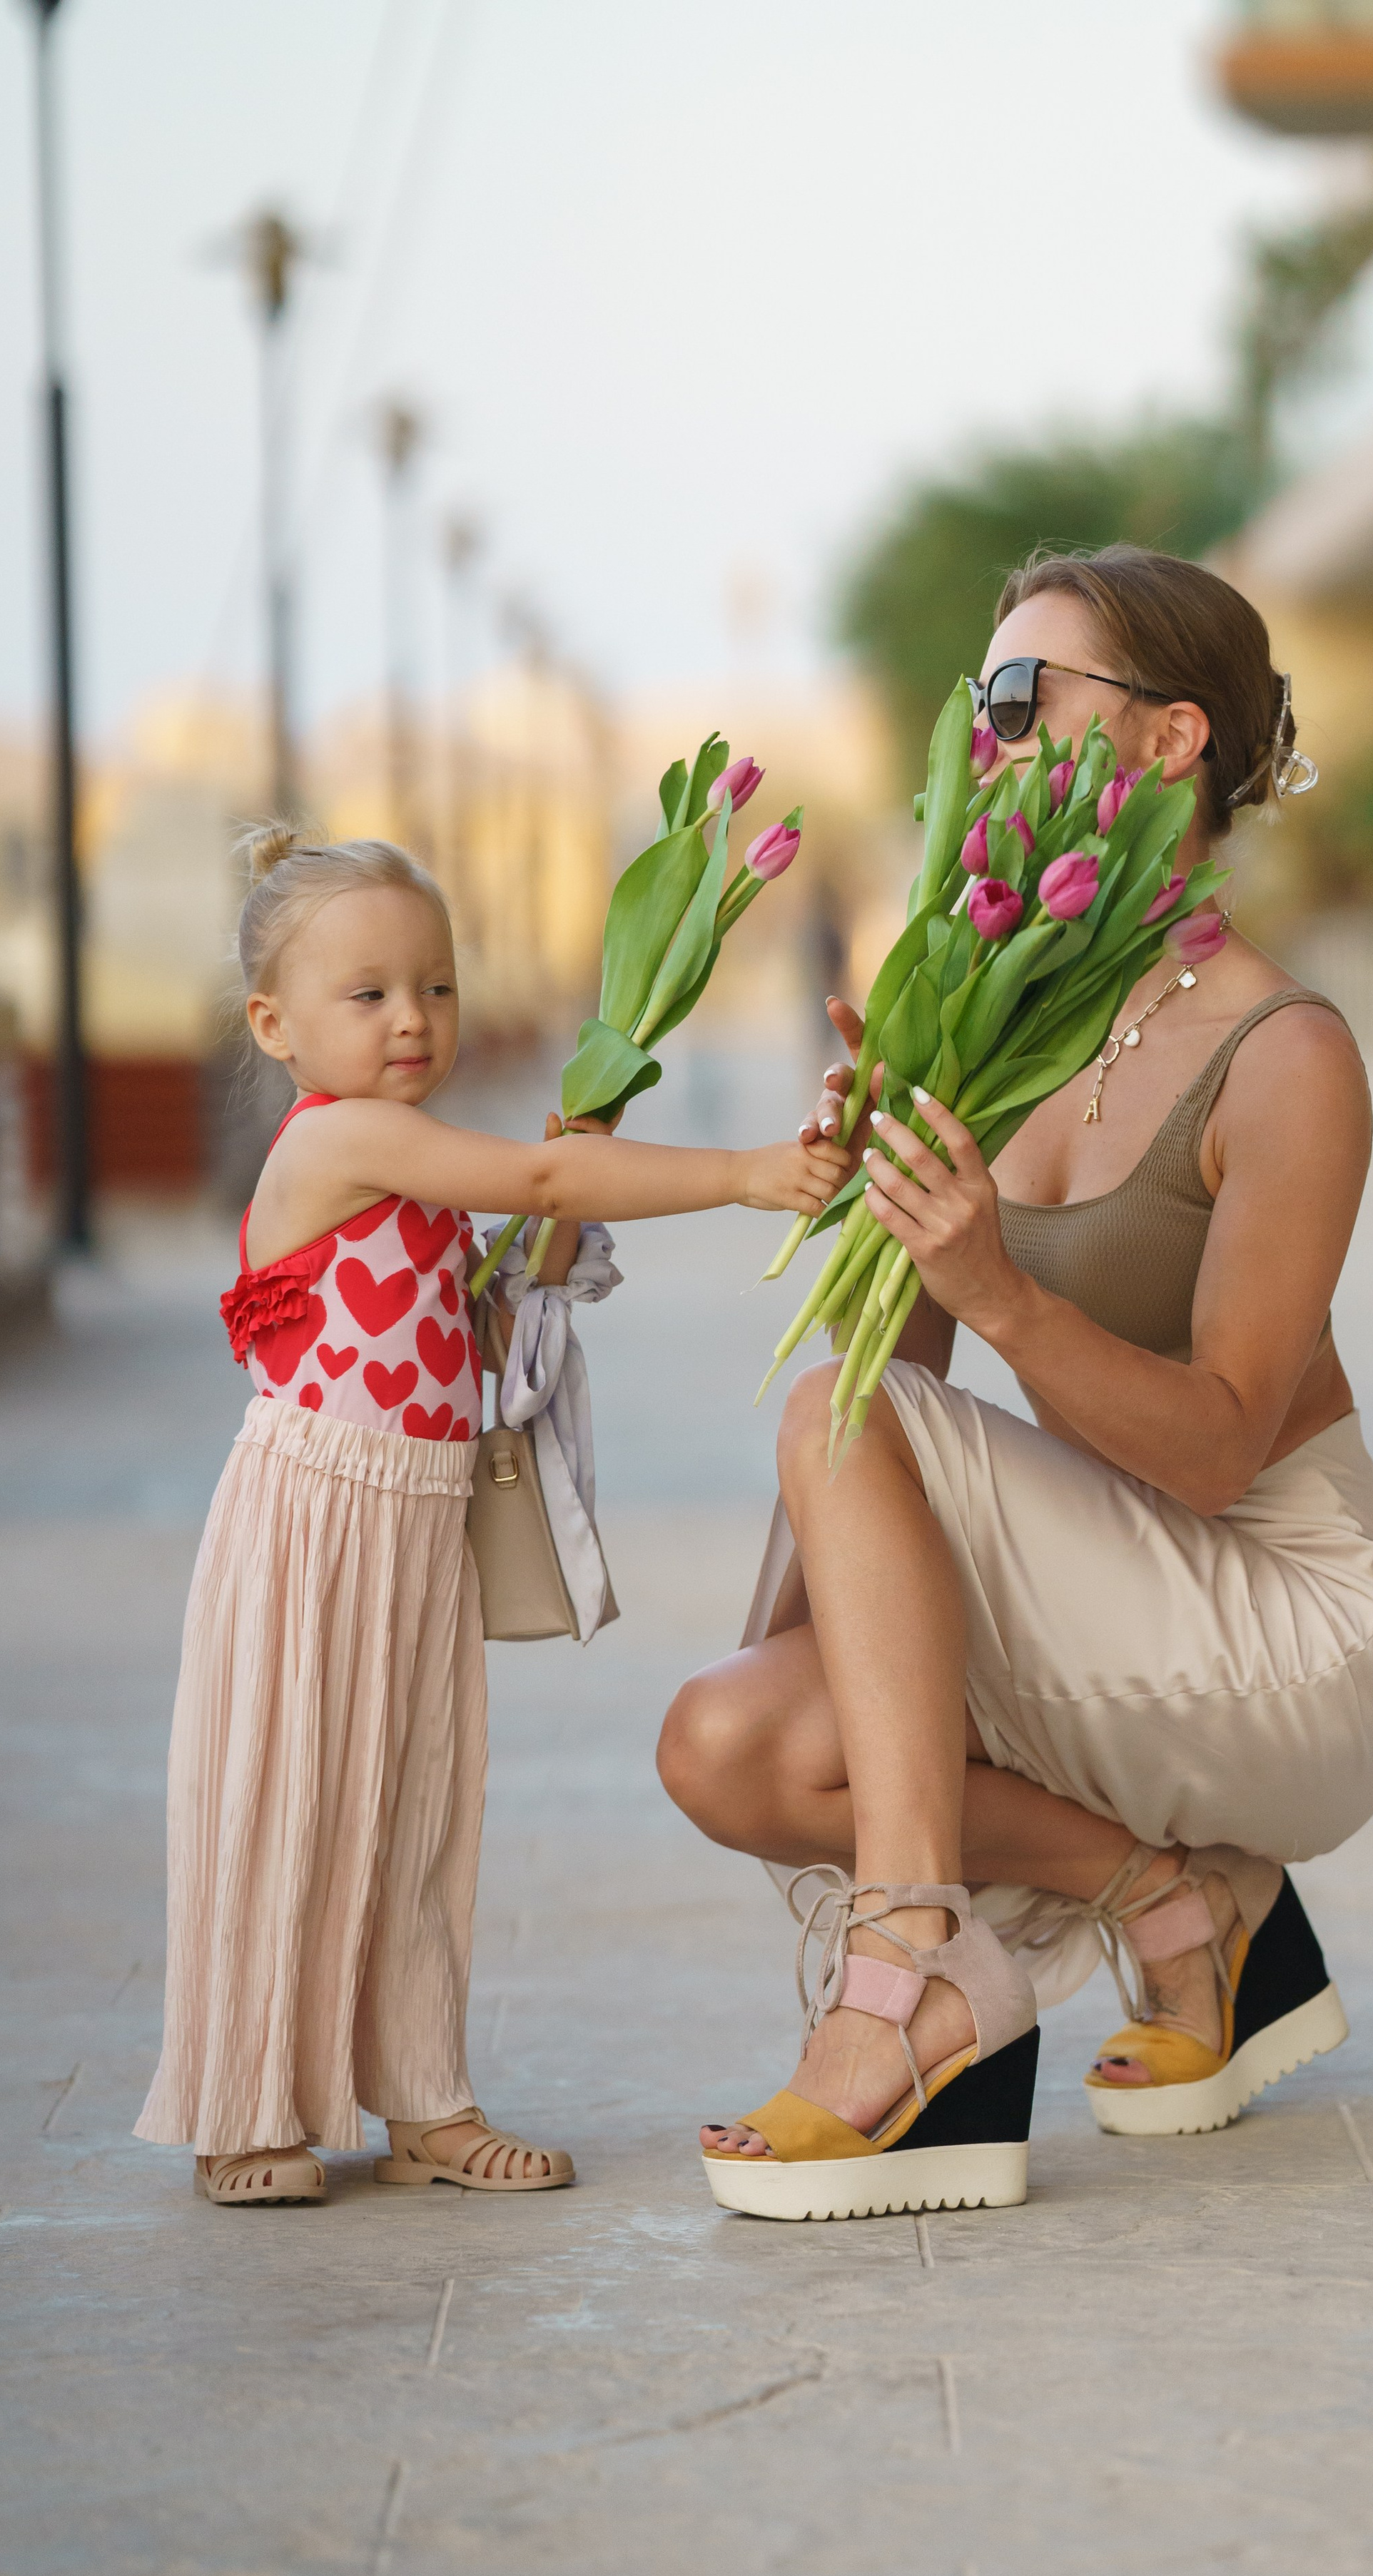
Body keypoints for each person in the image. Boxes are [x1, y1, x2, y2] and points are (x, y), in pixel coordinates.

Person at [659, 544, 1373, 2221]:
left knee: (826, 1429)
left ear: (1165, 742)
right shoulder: (1010, 1013)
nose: (984, 739)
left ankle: (917, 1990)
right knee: (730, 1743)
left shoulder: (1282, 1052)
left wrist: (997, 1287)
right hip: (1126, 1600)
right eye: (974, 705)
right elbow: (888, 1387)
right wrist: (902, 1247)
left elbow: (1220, 1448)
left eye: (1019, 699)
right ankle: (1185, 1903)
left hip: (1291, 1626)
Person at [134, 825, 851, 2204]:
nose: (415, 1018)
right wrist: (744, 1172)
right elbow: (528, 1186)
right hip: (313, 1530)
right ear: (273, 1027)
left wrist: (584, 1151)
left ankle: (425, 2095)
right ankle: (246, 2109)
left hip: (415, 1535)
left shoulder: (406, 1167)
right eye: (370, 994)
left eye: (439, 986)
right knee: (288, 1802)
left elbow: (515, 1267)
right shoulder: (343, 1141)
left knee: (414, 1812)